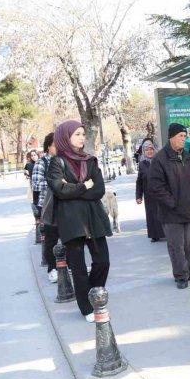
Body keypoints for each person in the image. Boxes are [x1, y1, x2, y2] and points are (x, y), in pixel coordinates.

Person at [46, 120, 112, 322]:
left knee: (103, 261)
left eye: (83, 133)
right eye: (77, 134)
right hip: (71, 220)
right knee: (79, 267)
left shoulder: (90, 160)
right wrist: (84, 186)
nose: (82, 137)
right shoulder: (57, 163)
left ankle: (91, 292)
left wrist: (74, 189)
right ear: (65, 137)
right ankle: (86, 308)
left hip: (93, 217)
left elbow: (99, 189)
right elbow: (59, 190)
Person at [148, 123, 190, 290]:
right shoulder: (160, 159)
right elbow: (156, 187)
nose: (183, 138)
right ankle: (180, 275)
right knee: (176, 245)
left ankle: (188, 271)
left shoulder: (189, 157)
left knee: (189, 244)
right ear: (171, 137)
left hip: (188, 209)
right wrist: (172, 203)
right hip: (171, 212)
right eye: (180, 135)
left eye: (185, 136)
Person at [31, 133, 58, 283]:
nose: (58, 148)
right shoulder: (42, 162)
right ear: (48, 146)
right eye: (55, 145)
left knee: (68, 237)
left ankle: (67, 265)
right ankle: (52, 268)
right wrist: (55, 184)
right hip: (48, 205)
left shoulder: (62, 160)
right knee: (51, 238)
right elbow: (36, 184)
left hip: (63, 204)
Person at [135, 140, 165, 242]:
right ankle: (154, 235)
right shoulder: (142, 164)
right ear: (144, 151)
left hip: (161, 192)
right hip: (149, 194)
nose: (149, 151)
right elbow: (139, 181)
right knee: (151, 214)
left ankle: (166, 232)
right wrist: (139, 196)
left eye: (151, 149)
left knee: (162, 212)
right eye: (147, 150)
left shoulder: (159, 161)